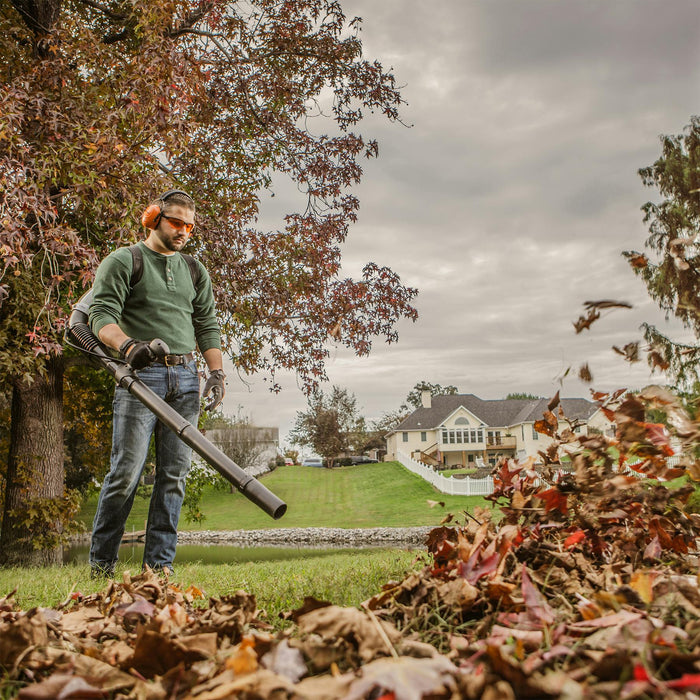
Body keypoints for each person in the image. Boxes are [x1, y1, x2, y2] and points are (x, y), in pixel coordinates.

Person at [88, 190, 225, 577]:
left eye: (189, 226)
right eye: (175, 222)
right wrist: (128, 346)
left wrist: (215, 373)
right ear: (153, 218)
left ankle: (158, 568)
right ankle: (102, 566)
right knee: (126, 472)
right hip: (140, 376)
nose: (183, 231)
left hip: (185, 378)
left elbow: (207, 324)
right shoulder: (124, 261)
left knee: (174, 475)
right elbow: (101, 316)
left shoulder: (195, 270)